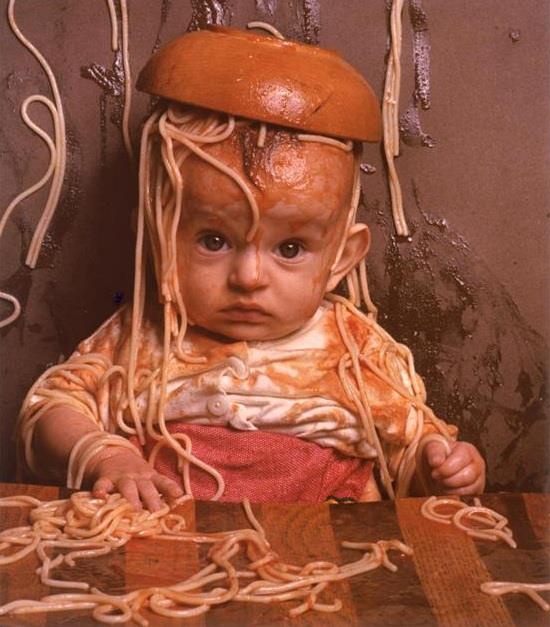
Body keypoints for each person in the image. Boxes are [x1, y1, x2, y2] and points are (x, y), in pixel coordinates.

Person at [17, 26, 485, 511]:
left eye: (289, 248)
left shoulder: (353, 349)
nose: (249, 277)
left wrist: (439, 469)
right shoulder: (143, 337)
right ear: (157, 239)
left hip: (326, 551)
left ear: (342, 259)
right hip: (164, 541)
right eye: (214, 241)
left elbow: (408, 448)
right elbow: (50, 407)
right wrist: (106, 457)